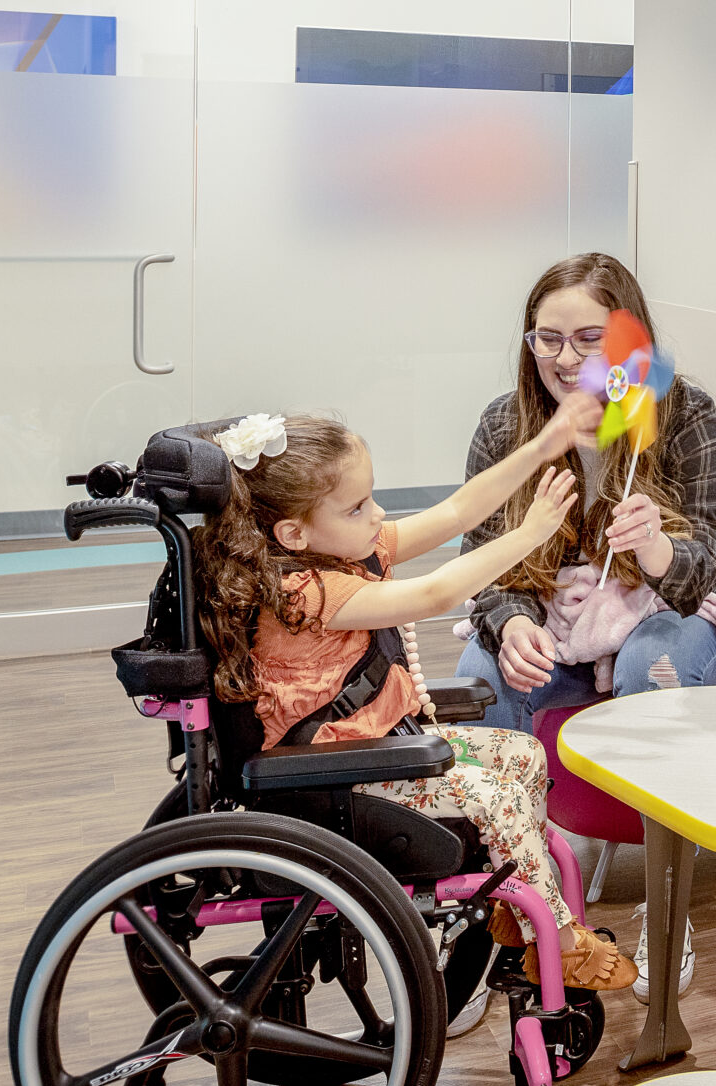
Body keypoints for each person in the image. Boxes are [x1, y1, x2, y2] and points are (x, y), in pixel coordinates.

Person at [191, 408, 636, 992]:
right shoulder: (304, 592)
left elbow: (457, 511)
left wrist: (539, 449)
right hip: (330, 775)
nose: (377, 515)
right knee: (495, 792)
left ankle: (514, 904)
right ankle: (557, 936)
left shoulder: (341, 553)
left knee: (522, 754)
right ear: (293, 534)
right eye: (357, 507)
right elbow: (436, 593)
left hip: (368, 749)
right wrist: (530, 534)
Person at [456, 253, 716, 732]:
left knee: (652, 664)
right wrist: (514, 624)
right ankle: (505, 808)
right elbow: (481, 558)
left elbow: (709, 558)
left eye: (589, 340)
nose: (565, 360)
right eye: (548, 340)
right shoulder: (504, 426)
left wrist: (656, 548)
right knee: (481, 677)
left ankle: (657, 809)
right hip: (558, 614)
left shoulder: (687, 415)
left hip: (674, 603)